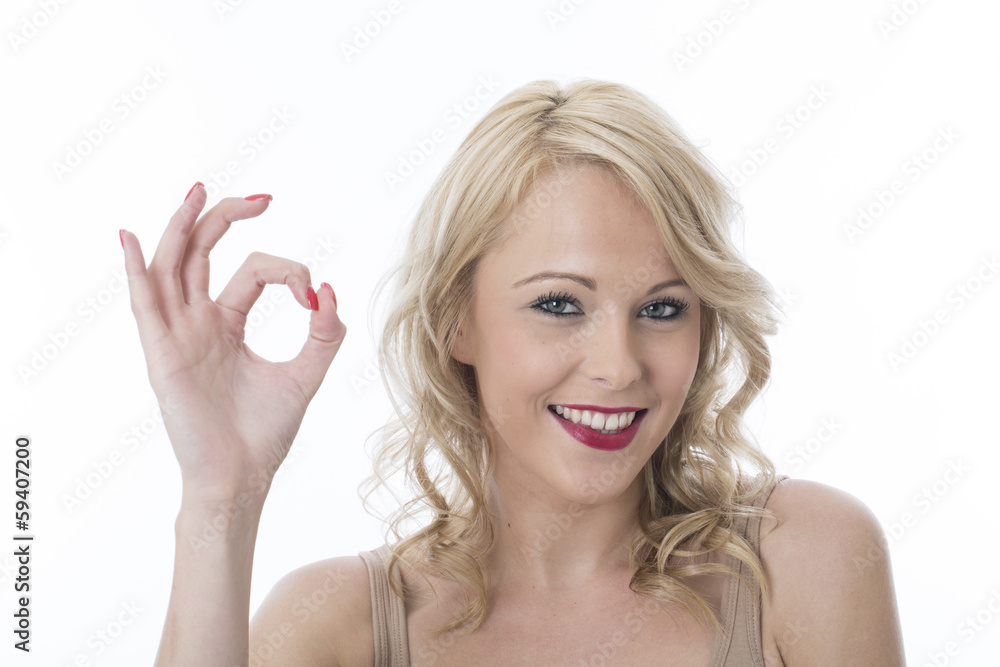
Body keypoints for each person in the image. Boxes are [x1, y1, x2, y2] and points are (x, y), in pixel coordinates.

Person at [121, 79, 905, 666]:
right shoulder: (339, 623)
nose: (618, 365)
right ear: (458, 318)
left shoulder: (802, 560)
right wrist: (222, 493)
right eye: (561, 304)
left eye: (663, 309)